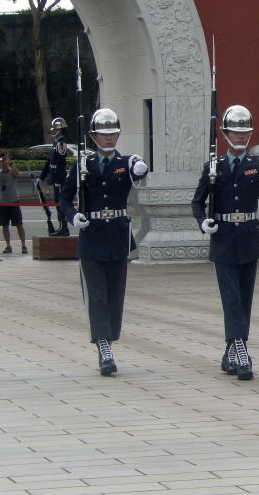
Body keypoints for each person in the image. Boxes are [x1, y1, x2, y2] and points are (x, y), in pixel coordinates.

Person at [192, 105, 259, 380]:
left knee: (244, 298)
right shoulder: (213, 167)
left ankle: (231, 351)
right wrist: (203, 222)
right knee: (231, 299)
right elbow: (197, 202)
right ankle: (241, 350)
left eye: (245, 132)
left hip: (249, 237)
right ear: (225, 133)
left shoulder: (257, 163)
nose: (241, 137)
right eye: (236, 132)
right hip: (224, 237)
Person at [60, 108, 149, 376]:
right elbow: (64, 199)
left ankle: (109, 337)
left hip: (118, 236)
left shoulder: (126, 162)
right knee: (96, 295)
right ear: (93, 135)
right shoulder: (82, 165)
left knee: (114, 295)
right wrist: (73, 216)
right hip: (92, 235)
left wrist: (140, 170)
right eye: (103, 134)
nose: (109, 139)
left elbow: (138, 171)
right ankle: (103, 345)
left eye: (113, 134)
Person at [39, 117, 70, 236]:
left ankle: (64, 228)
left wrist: (58, 181)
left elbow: (61, 165)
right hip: (55, 179)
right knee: (57, 204)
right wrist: (42, 177)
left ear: (60, 130)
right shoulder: (56, 144)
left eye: (54, 130)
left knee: (60, 204)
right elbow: (50, 162)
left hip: (59, 180)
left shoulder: (61, 144)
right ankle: (61, 227)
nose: (52, 132)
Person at [0, 153, 27, 254]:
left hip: (13, 200)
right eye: (1, 160)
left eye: (5, 159)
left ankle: (23, 245)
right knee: (4, 225)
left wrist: (10, 164)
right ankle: (8, 245)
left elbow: (17, 174)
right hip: (2, 201)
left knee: (19, 224)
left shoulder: (11, 171)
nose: (3, 161)